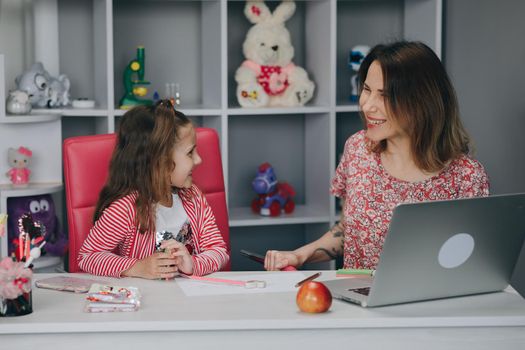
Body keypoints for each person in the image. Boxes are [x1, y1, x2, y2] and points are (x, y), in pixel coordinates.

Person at [265, 41, 490, 271]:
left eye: (384, 95)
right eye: (367, 89)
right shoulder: (357, 150)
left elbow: (470, 261)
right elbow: (348, 230)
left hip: (429, 304)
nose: (367, 106)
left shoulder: (466, 176)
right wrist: (299, 255)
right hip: (357, 300)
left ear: (423, 101)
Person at [78, 100, 229, 279]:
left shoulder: (193, 197)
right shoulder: (126, 208)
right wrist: (137, 267)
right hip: (147, 301)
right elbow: (88, 256)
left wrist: (193, 264)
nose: (198, 160)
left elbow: (218, 250)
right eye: (190, 153)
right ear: (159, 162)